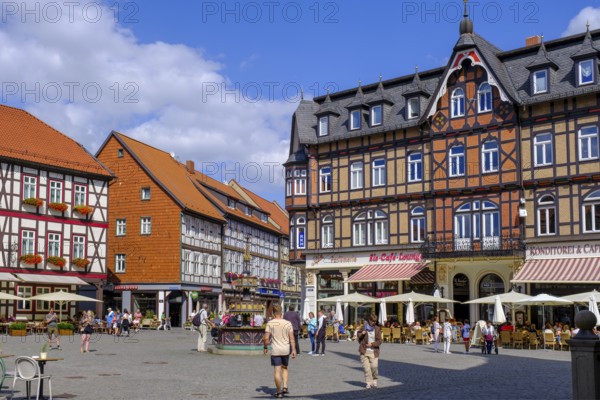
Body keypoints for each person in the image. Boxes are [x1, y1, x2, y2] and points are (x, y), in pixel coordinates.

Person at [263, 305, 296, 398]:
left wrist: (265, 347)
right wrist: (293, 350)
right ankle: (285, 387)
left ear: (273, 313)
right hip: (285, 349)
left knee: (277, 371)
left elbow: (266, 338)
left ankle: (279, 392)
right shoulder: (288, 323)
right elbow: (292, 338)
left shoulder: (270, 323)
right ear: (282, 312)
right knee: (285, 368)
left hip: (276, 350)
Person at [357, 314, 382, 390]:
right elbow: (358, 336)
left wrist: (372, 344)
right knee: (366, 368)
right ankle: (368, 383)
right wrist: (362, 333)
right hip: (364, 351)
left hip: (373, 351)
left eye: (375, 321)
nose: (373, 322)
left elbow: (380, 341)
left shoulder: (377, 329)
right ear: (369, 320)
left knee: (374, 367)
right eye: (372, 321)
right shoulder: (364, 327)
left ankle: (374, 380)